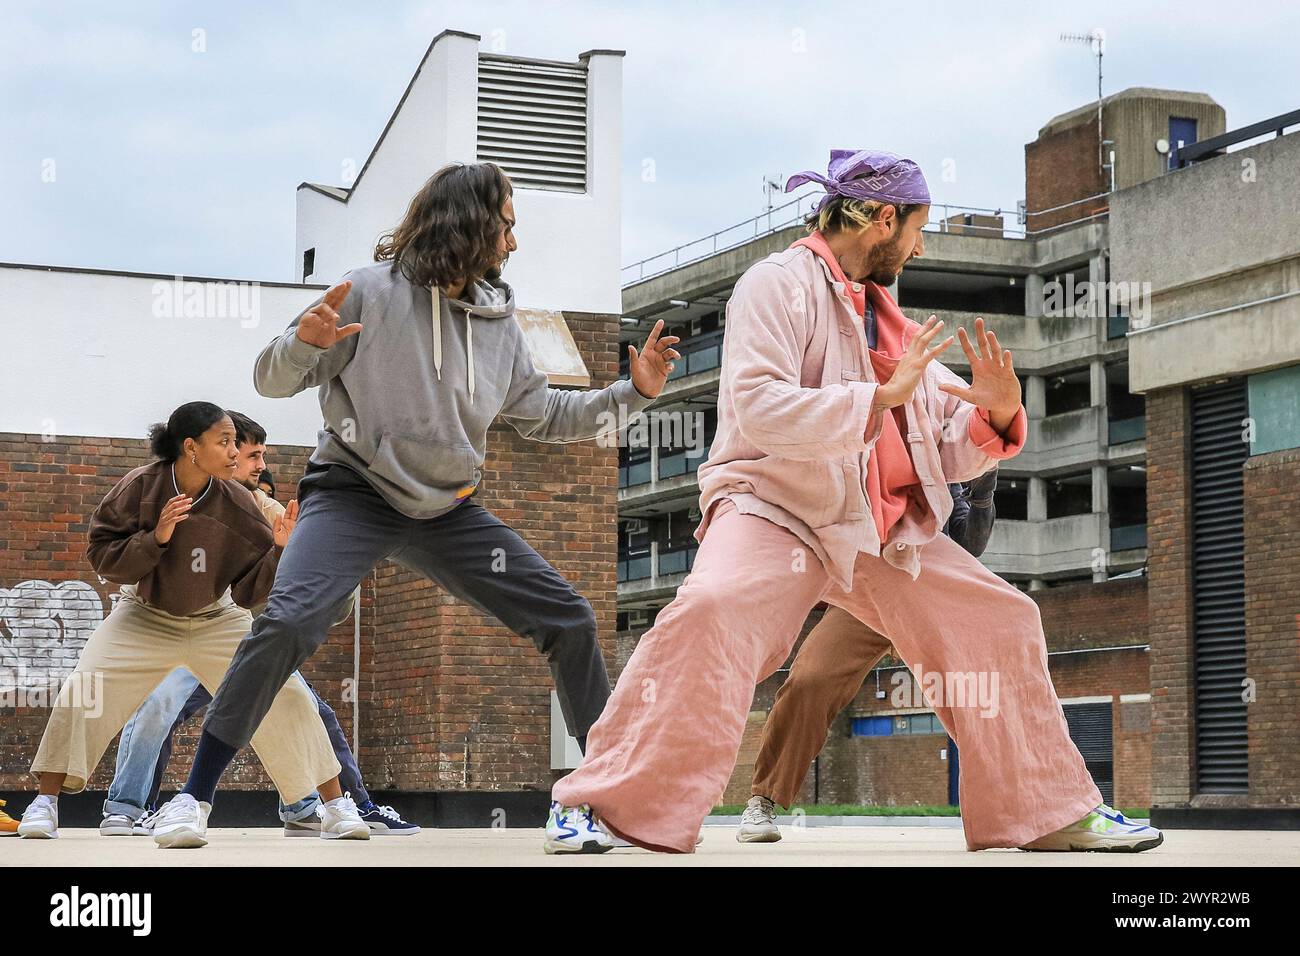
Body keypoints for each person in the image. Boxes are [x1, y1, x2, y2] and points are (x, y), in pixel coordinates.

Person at [547, 150, 1162, 855]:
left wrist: (993, 416)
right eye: (918, 230)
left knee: (1001, 618)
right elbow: (756, 405)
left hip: (876, 528)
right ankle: (595, 805)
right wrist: (877, 397)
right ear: (883, 218)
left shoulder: (888, 318)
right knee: (711, 608)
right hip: (775, 508)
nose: (921, 246)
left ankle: (1051, 813)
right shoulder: (773, 286)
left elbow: (937, 443)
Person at [149, 161, 678, 848]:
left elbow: (545, 414)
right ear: (470, 222)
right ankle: (191, 799)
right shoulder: (365, 294)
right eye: (507, 226)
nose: (513, 244)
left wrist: (632, 393)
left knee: (570, 618)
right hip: (353, 493)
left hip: (447, 509)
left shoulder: (498, 323)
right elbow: (269, 380)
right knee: (288, 622)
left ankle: (596, 800)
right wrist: (298, 345)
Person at [16, 402, 370, 845]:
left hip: (217, 618)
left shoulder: (239, 503)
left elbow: (247, 591)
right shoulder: (139, 487)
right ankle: (45, 803)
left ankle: (335, 806)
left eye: (235, 445)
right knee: (83, 687)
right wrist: (156, 538)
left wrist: (280, 549)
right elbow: (103, 555)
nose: (234, 454)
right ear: (190, 447)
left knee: (289, 693)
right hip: (143, 615)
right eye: (224, 443)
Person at [101, 411, 418, 837]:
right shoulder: (176, 492)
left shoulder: (264, 507)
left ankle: (325, 805)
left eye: (259, 455)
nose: (259, 465)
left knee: (305, 709)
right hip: (196, 631)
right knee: (159, 704)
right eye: (251, 455)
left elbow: (305, 565)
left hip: (245, 640)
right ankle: (128, 807)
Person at [738, 469, 997, 842]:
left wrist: (984, 492)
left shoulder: (937, 443)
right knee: (811, 678)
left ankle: (1022, 807)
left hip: (933, 588)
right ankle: (763, 799)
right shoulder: (854, 436)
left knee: (987, 690)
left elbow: (968, 545)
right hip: (869, 589)